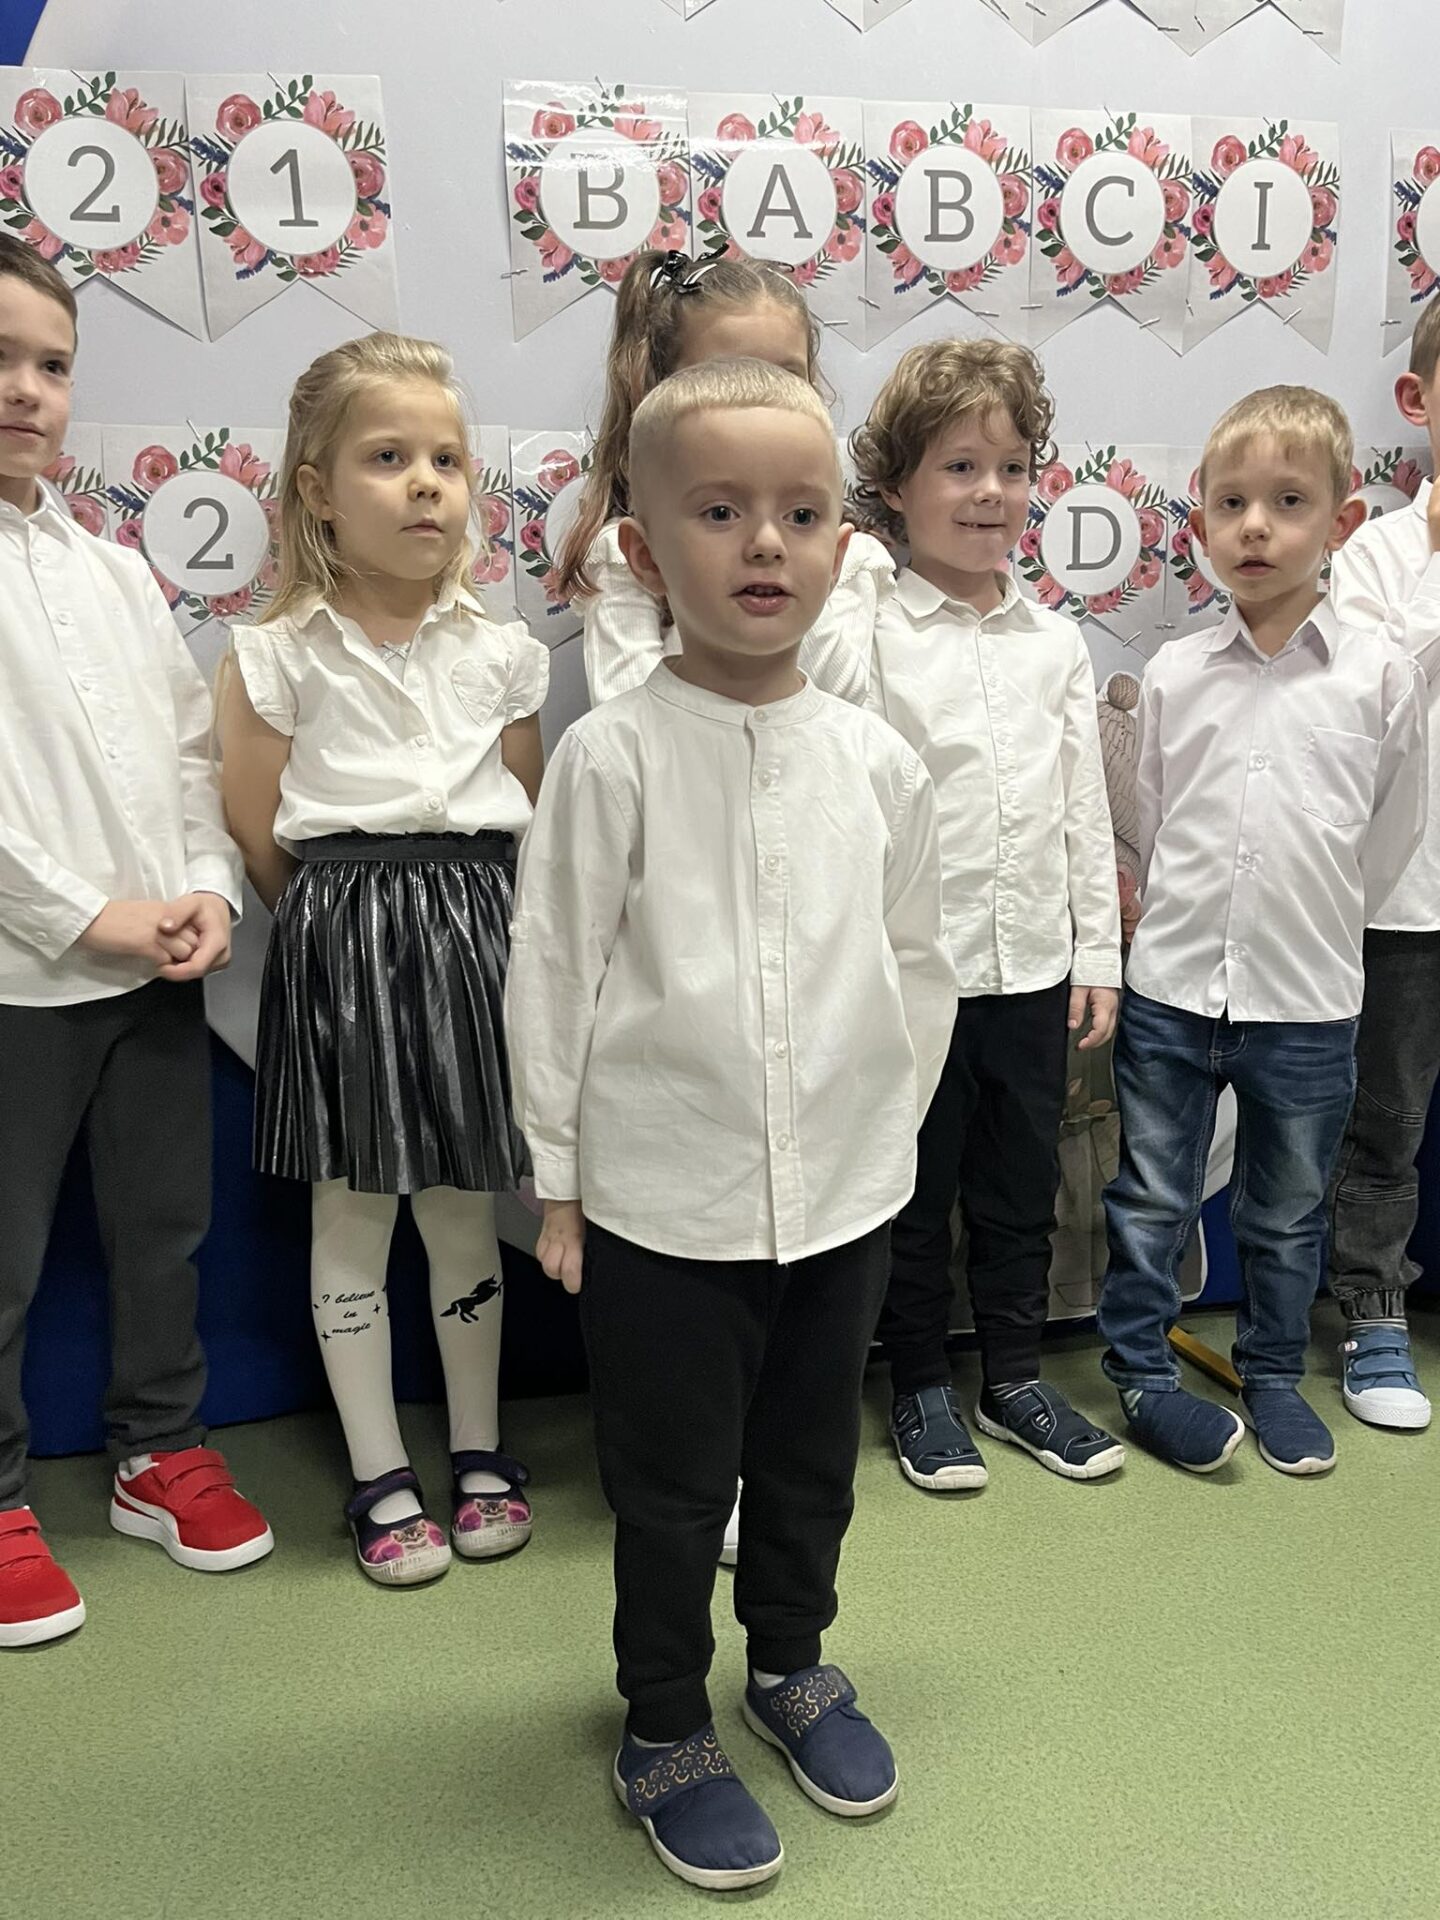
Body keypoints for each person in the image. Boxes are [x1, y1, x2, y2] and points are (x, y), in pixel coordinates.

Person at [506, 358, 953, 1891]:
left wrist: (883, 1139)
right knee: (674, 1485)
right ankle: (660, 1722)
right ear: (641, 548)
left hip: (842, 1200)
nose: (764, 543)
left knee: (812, 1464)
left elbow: (916, 967)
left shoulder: (878, 763)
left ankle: (790, 1664)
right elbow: (555, 970)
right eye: (718, 512)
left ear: (845, 544)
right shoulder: (612, 755)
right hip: (663, 1206)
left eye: (801, 514)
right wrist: (562, 1184)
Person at [559, 245, 896, 1568]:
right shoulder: (619, 672)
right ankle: (668, 1629)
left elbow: (908, 934)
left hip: (824, 1079)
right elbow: (567, 951)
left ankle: (787, 1627)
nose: (764, 537)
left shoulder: (856, 627)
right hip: (681, 1087)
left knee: (809, 1424)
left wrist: (874, 1103)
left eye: (787, 380)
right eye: (725, 381)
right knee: (678, 1442)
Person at [220, 333, 546, 1585]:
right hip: (342, 935)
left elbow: (520, 807)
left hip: (476, 927)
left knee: (464, 1209)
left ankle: (479, 1449)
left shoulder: (501, 652)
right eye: (388, 457)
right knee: (351, 1213)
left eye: (447, 461)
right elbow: (259, 830)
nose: (425, 484)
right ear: (316, 489)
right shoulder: (274, 655)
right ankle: (377, 1472)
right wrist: (345, 936)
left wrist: (463, 924)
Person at [0, 234, 272, 1649]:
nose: (27, 390)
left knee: (164, 1229)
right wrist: (76, 913)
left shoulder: (112, 572)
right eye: (0, 359)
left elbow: (181, 753)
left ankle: (158, 1451)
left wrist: (205, 886)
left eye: (51, 365)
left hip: (155, 968)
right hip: (18, 979)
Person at [1098, 386, 1428, 1476]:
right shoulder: (1176, 676)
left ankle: (1274, 1372)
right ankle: (1141, 1373)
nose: (1255, 527)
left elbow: (1387, 839)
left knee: (1286, 1211)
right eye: (1231, 502)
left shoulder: (1380, 677)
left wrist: (1310, 923)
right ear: (1199, 518)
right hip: (1174, 991)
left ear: (1341, 522)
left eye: (1288, 502)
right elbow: (1152, 824)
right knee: (1150, 1196)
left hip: (1309, 1000)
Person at [850, 339, 1125, 1489]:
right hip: (915, 977)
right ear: (896, 485)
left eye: (1012, 468)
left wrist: (1097, 951)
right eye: (959, 467)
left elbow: (1082, 806)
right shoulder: (870, 630)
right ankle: (919, 1383)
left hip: (1033, 969)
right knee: (915, 1197)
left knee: (1020, 1190)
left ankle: (1013, 1378)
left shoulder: (1053, 641)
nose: (990, 493)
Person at [558, 246, 894, 710]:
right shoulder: (632, 553)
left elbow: (842, 700)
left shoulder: (849, 555)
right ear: (661, 393)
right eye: (725, 376)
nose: (759, 403)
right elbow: (625, 712)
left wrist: (803, 564)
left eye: (785, 379)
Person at [1325, 299, 1440, 1431]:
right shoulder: (1378, 554)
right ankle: (1371, 1307)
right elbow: (1371, 700)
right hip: (1409, 897)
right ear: (1417, 400)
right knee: (1387, 1122)